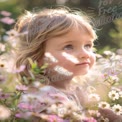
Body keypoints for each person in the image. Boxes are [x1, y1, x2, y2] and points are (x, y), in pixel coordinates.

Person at [14, 7, 121, 122]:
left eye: (88, 45)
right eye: (68, 46)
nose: (85, 54)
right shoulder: (45, 98)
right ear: (37, 58)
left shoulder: (75, 91)